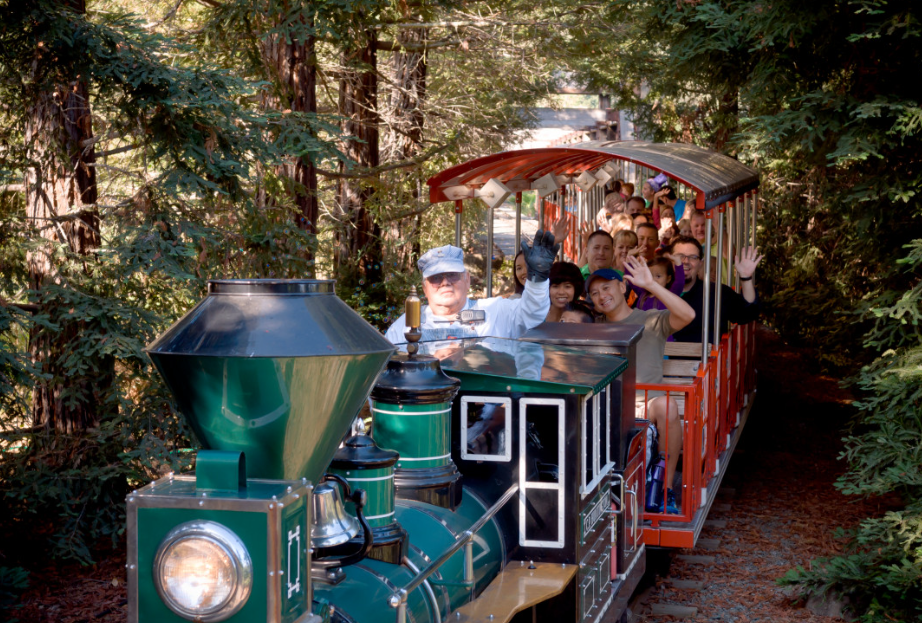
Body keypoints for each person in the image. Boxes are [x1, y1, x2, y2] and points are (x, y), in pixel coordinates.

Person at [586, 257, 696, 513]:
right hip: (607, 406)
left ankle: (664, 489)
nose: (601, 295)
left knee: (667, 406)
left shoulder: (651, 320)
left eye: (606, 287)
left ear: (623, 287)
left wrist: (652, 285)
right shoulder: (591, 328)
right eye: (594, 292)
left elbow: (687, 315)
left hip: (646, 404)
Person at [384, 231, 559, 343]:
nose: (445, 282)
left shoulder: (495, 311)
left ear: (467, 279)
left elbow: (532, 313)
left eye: (452, 275)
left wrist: (537, 279)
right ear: (424, 288)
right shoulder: (405, 326)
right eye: (436, 278)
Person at [669, 236, 762, 343]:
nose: (685, 261)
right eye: (680, 256)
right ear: (670, 260)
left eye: (693, 257)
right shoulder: (656, 293)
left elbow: (746, 314)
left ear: (700, 264)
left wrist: (746, 278)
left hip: (704, 358)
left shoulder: (717, 293)